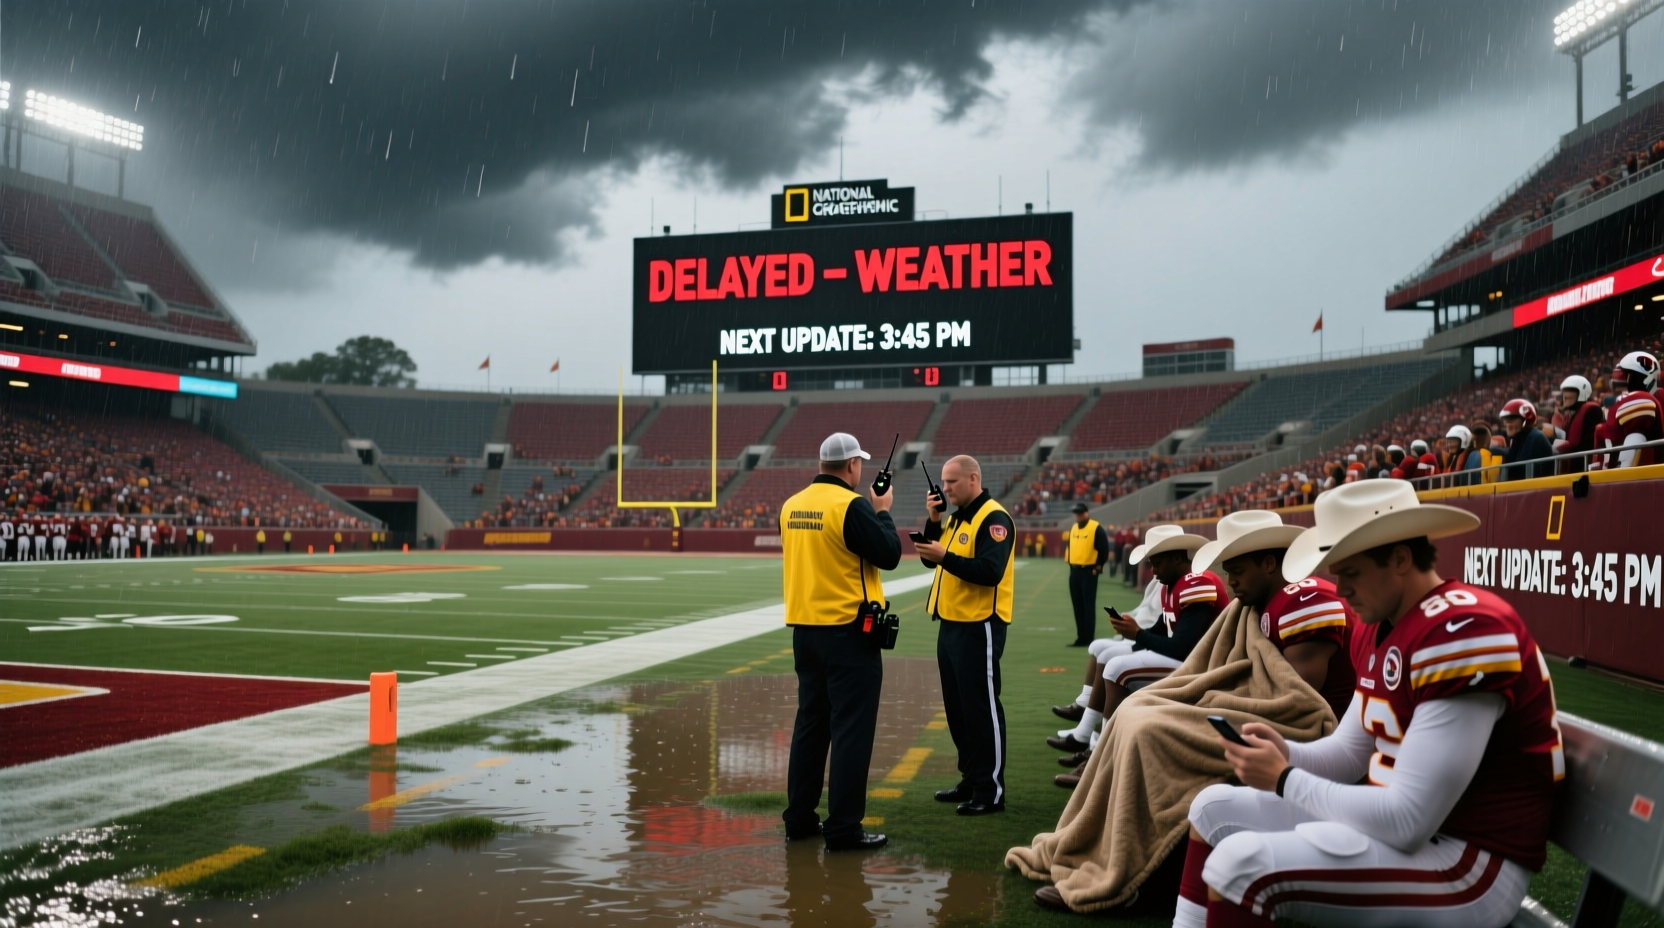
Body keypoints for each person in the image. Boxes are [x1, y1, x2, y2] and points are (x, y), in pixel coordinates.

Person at [1174, 479, 1562, 928]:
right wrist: (1286, 753)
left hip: (1469, 861)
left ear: (1399, 558)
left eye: (1351, 572)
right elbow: (1348, 752)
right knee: (1210, 806)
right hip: (1411, 832)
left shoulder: (1465, 629)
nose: (1341, 589)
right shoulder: (1381, 626)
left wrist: (1284, 778)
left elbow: (1408, 819)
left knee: (1240, 864)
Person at [780, 432, 902, 852]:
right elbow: (888, 553)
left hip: (805, 631)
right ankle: (844, 828)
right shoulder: (852, 505)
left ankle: (799, 818)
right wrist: (882, 511)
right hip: (849, 632)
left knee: (811, 726)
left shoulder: (791, 505)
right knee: (851, 731)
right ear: (852, 466)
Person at [1048, 525, 1224, 788]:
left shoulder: (1196, 582)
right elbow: (1161, 630)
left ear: (1178, 558)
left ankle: (1105, 761)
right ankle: (1097, 748)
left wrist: (1138, 636)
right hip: (1188, 658)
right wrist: (1133, 633)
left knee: (1117, 669)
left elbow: (1182, 648)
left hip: (1201, 665)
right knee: (1110, 659)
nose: (1153, 571)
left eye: (1158, 563)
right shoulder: (1172, 584)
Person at [916, 454, 1017, 816]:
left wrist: (945, 557)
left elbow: (990, 571)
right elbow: (931, 558)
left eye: (951, 482)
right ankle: (972, 779)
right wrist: (933, 521)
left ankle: (991, 791)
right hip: (951, 623)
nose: (944, 489)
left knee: (981, 709)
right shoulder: (957, 517)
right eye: (943, 483)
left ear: (973, 479)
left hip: (980, 625)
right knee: (958, 710)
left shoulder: (994, 518)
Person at [1190, 511, 1357, 718]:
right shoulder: (1262, 604)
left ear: (1269, 564)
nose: (1230, 581)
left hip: (1327, 733)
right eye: (1228, 572)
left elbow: (1297, 700)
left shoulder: (1304, 601)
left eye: (1238, 571)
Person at [1605, 351, 1662, 468]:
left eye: (1624, 377)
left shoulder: (1645, 398)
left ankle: (1623, 472)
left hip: (1653, 468)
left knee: (1634, 436)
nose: (1619, 382)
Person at [1065, 502, 1110, 647]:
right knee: (1077, 605)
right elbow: (1071, 548)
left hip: (1089, 572)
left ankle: (1089, 637)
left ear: (1086, 513)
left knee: (1088, 606)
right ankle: (1081, 637)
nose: (1078, 516)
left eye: (1080, 513)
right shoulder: (1073, 528)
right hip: (1075, 571)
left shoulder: (1096, 528)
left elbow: (1103, 549)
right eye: (1076, 514)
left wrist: (1098, 568)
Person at [1499, 399, 1553, 481]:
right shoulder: (1518, 438)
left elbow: (1519, 470)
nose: (1507, 423)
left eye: (1512, 419)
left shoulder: (1535, 437)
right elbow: (1510, 459)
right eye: (1505, 419)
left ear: (1526, 420)